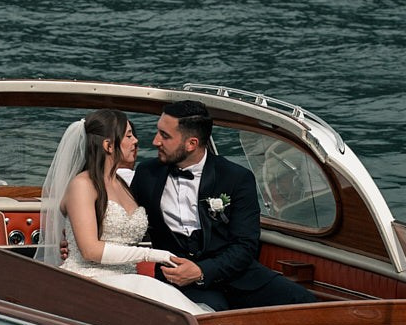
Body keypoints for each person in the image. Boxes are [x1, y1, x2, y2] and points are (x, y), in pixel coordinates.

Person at [129, 98, 319, 313]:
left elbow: (245, 245)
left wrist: (202, 270)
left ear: (191, 143)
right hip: (179, 280)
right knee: (211, 316)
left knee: (306, 304)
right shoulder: (147, 174)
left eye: (165, 135)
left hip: (239, 276)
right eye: (158, 131)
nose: (155, 141)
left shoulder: (236, 178)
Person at [36, 109, 207, 315]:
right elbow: (90, 250)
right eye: (128, 135)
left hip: (129, 277)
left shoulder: (125, 183)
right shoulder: (82, 185)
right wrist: (152, 254)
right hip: (90, 280)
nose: (136, 140)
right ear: (108, 145)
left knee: (177, 306)